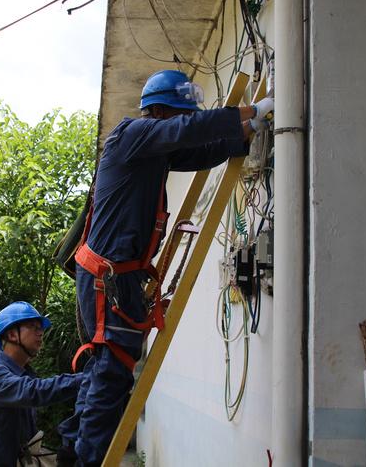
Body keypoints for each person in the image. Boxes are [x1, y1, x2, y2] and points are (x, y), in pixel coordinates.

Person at [58, 69, 274, 465]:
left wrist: (242, 135)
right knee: (112, 375)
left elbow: (195, 151)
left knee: (105, 369)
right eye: (179, 115)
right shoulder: (132, 134)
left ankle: (72, 452)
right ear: (159, 112)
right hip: (109, 280)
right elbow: (188, 132)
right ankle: (87, 459)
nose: (181, 123)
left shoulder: (151, 150)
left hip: (114, 277)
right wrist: (250, 109)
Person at [0, 301, 83, 467]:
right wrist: (85, 379)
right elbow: (34, 391)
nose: (40, 333)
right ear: (11, 335)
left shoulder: (24, 374)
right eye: (33, 326)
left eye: (41, 328)